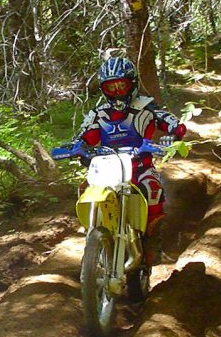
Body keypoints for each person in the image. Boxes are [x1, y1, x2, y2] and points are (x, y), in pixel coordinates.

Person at [71, 55, 186, 286]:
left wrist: (173, 133)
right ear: (104, 89)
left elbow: (171, 122)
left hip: (138, 165)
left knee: (152, 188)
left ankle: (152, 244)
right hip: (106, 168)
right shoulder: (99, 114)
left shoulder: (145, 106)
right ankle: (96, 236)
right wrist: (76, 147)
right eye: (110, 87)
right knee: (85, 189)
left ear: (131, 83)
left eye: (121, 85)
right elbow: (84, 135)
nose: (116, 91)